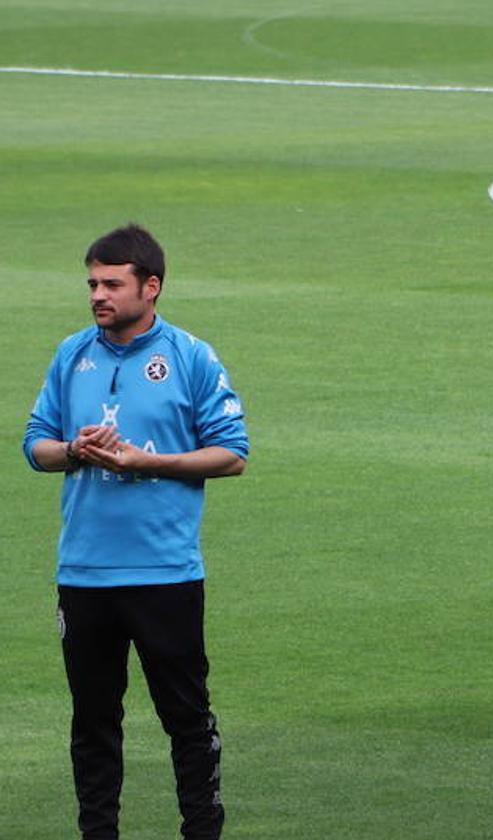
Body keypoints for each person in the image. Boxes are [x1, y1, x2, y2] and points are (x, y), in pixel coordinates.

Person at [23, 223, 249, 840]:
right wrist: (75, 448)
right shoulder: (72, 355)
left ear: (151, 287)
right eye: (92, 282)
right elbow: (33, 446)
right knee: (93, 723)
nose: (98, 294)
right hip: (84, 572)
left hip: (165, 573)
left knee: (186, 718)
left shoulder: (190, 357)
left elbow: (232, 453)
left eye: (112, 283)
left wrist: (148, 462)